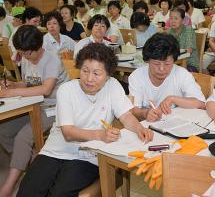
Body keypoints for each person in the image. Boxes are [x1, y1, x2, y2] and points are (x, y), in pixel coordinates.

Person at [16, 43, 153, 196]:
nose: (89, 79)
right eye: (85, 71)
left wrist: (140, 128)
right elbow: (68, 133)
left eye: (96, 73)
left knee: (59, 193)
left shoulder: (112, 86)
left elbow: (126, 116)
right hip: (56, 150)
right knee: (28, 191)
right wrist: (100, 135)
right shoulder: (67, 90)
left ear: (107, 76)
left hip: (89, 155)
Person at [0, 25, 69, 197]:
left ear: (39, 47)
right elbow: (30, 83)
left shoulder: (52, 59)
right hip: (34, 105)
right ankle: (29, 159)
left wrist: (11, 92)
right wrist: (15, 85)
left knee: (24, 136)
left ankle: (9, 185)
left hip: (55, 108)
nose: (24, 57)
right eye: (22, 53)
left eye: (27, 53)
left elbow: (45, 89)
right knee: (4, 129)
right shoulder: (26, 57)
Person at [129, 33, 206, 122]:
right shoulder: (137, 76)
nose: (162, 69)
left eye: (167, 63)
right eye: (157, 63)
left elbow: (201, 104)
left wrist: (173, 98)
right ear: (148, 60)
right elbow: (133, 110)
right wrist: (145, 113)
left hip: (176, 124)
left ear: (174, 60)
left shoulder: (181, 74)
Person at [168, 8, 199, 72]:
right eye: (171, 18)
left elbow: (188, 51)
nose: (173, 21)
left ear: (182, 20)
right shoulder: (169, 32)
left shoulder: (188, 30)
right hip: (174, 63)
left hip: (190, 64)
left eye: (176, 18)